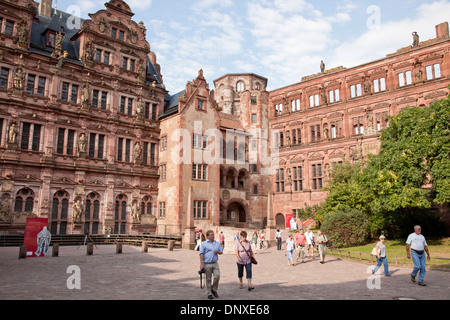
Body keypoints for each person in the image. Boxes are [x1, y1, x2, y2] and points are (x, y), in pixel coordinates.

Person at [199, 230, 223, 299]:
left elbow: (221, 251)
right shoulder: (204, 244)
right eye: (211, 235)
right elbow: (201, 254)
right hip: (207, 263)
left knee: (217, 276)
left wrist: (218, 252)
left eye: (213, 234)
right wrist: (201, 264)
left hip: (215, 263)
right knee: (208, 279)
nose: (213, 236)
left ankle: (214, 289)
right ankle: (209, 293)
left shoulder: (217, 243)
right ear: (208, 236)